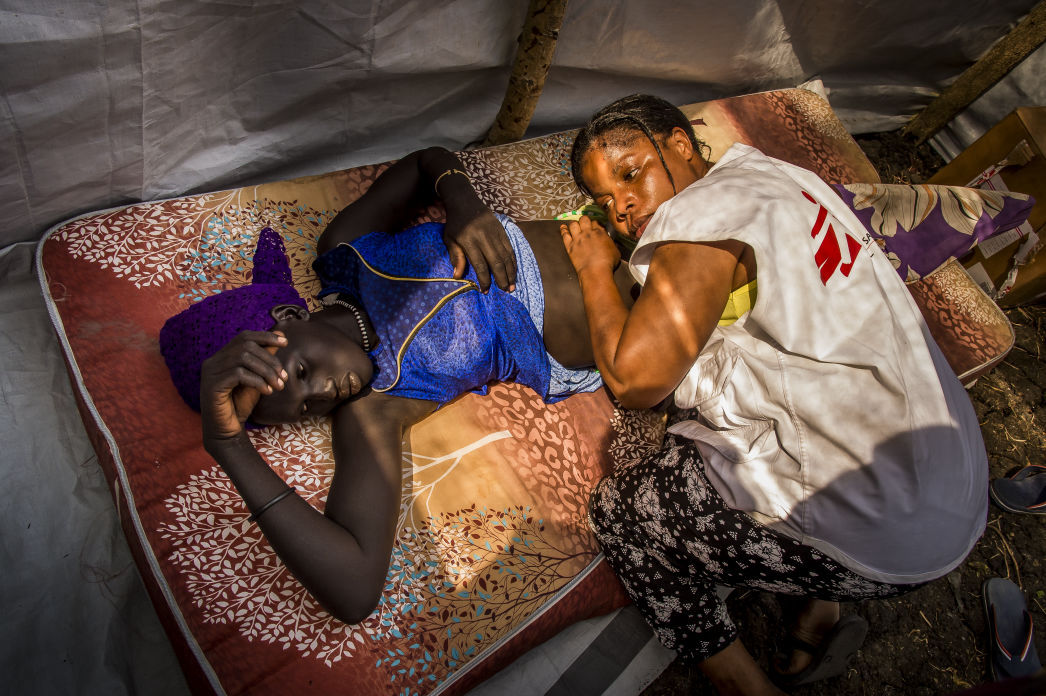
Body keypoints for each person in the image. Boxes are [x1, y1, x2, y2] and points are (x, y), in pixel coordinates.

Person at [559, 94, 988, 696]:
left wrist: (592, 269)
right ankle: (821, 605)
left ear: (680, 144)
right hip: (958, 484)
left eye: (631, 174)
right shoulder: (775, 175)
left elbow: (635, 382)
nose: (622, 206)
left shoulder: (703, 216)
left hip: (891, 528)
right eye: (604, 202)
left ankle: (746, 686)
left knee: (625, 514)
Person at [158, 146, 637, 625]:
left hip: (614, 231)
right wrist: (228, 445)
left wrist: (463, 203)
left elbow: (426, 161)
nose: (323, 393)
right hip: (634, 323)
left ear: (289, 317)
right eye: (306, 410)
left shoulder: (346, 251)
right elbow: (354, 589)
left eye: (302, 373)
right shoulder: (374, 410)